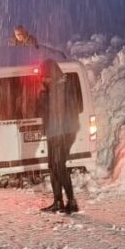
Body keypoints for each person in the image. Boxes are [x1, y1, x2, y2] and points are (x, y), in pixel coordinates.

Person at [36, 58, 81, 214]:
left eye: (44, 76)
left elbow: (54, 115)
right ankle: (58, 201)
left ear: (51, 75)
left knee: (58, 167)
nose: (43, 79)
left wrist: (43, 96)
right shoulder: (60, 86)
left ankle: (70, 201)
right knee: (54, 166)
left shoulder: (58, 89)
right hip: (60, 132)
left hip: (60, 133)